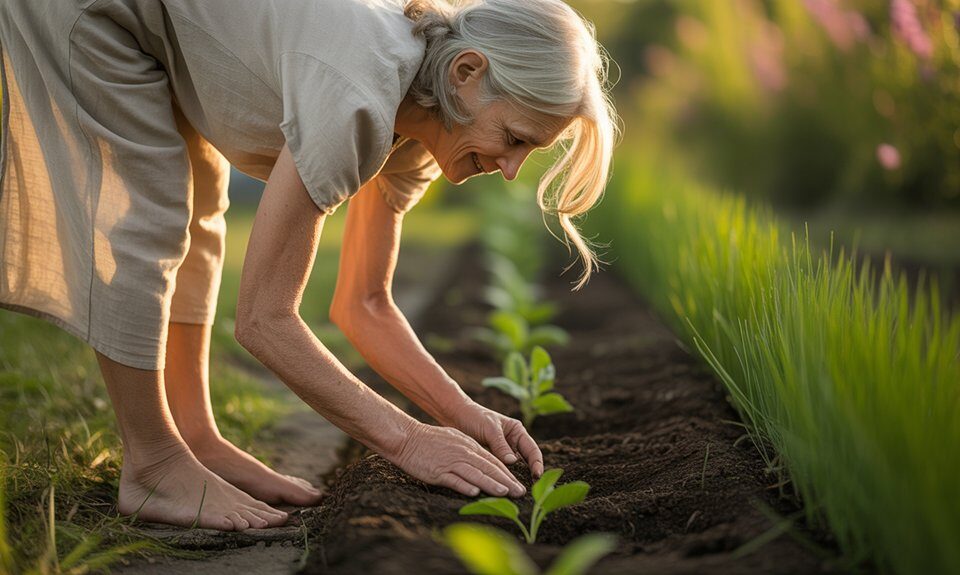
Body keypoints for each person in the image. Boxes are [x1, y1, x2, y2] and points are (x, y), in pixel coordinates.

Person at [0, 0, 617, 531]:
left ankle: (196, 435)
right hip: (101, 12)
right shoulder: (359, 94)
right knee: (148, 215)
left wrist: (466, 415)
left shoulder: (428, 131)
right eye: (513, 139)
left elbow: (364, 304)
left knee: (199, 208)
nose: (510, 170)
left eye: (527, 153)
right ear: (467, 73)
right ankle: (154, 464)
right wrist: (407, 440)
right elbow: (265, 321)